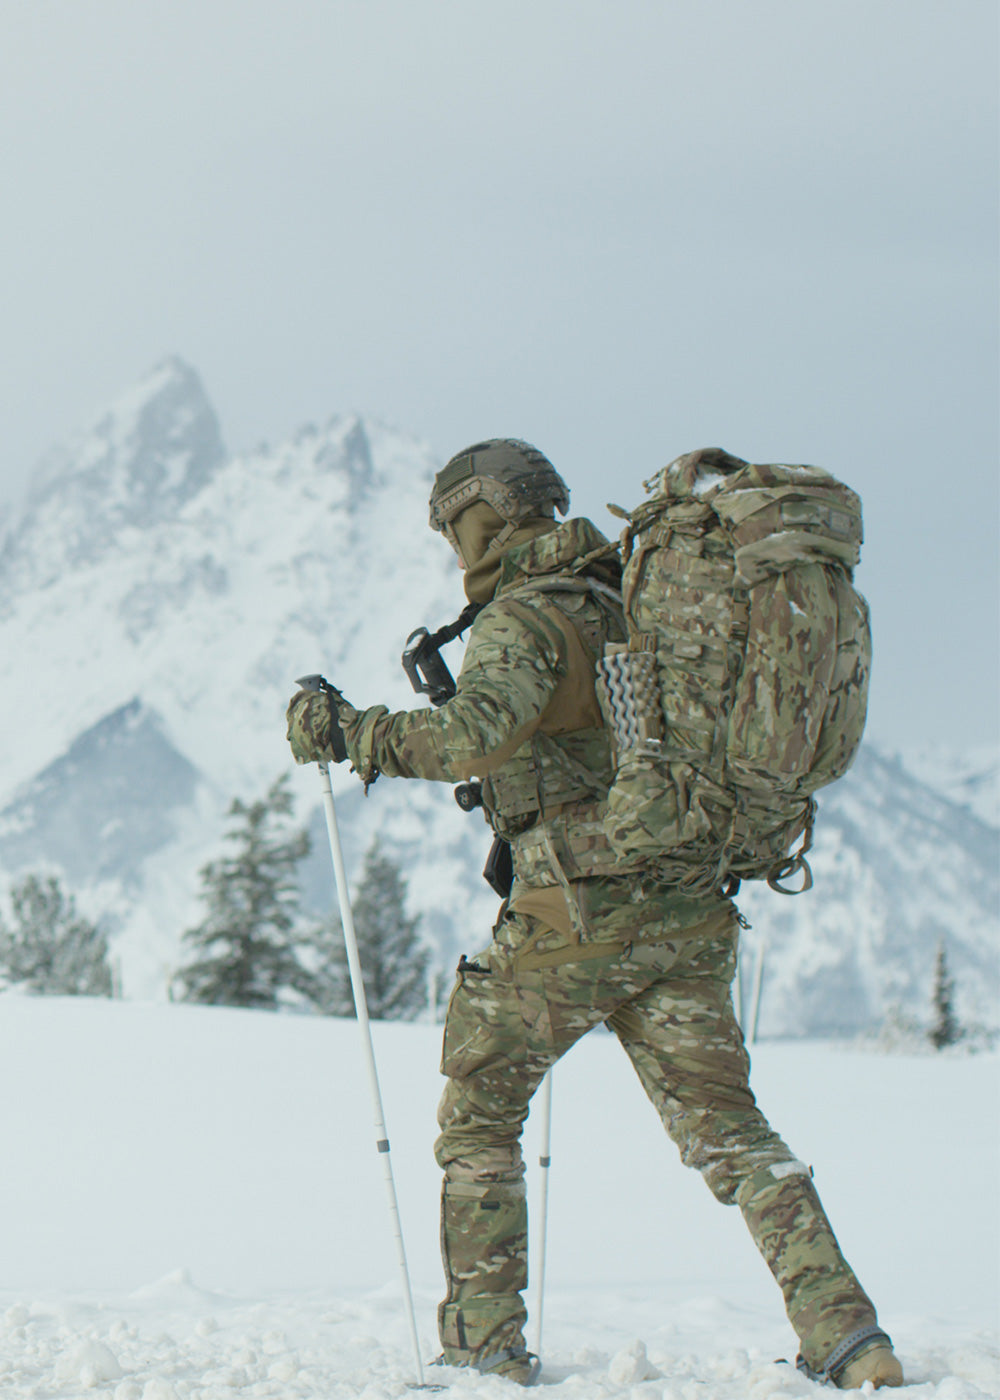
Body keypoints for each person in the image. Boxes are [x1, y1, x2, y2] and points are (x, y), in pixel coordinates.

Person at [285, 439, 903, 1390]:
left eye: (453, 525)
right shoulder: (635, 604)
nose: (454, 546)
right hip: (690, 907)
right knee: (733, 1135)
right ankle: (851, 1338)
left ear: (482, 517)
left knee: (480, 1116)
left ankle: (485, 1348)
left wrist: (348, 733)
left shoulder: (526, 618)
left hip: (572, 917)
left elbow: (471, 736)